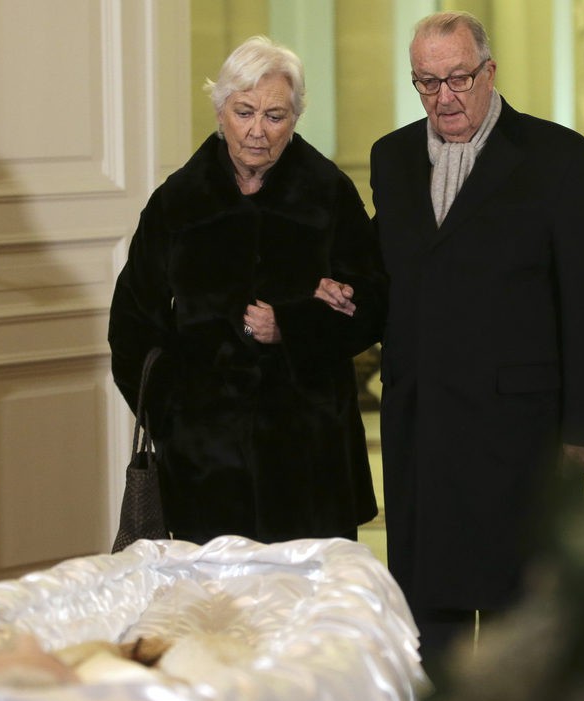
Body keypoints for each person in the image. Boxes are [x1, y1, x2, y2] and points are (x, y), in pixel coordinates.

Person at [368, 11, 584, 671]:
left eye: (457, 78)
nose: (443, 98)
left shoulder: (558, 157)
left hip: (521, 432)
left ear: (489, 73)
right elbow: (383, 275)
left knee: (523, 618)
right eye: (426, 83)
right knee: (429, 618)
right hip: (422, 423)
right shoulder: (390, 158)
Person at [108, 36, 386, 545]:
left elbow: (372, 302)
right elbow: (130, 326)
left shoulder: (327, 193)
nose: (258, 130)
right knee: (214, 615)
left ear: (295, 118)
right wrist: (175, 417)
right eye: (245, 112)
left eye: (275, 115)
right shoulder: (178, 201)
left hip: (310, 458)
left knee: (308, 615)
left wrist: (293, 325)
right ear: (221, 113)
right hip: (205, 466)